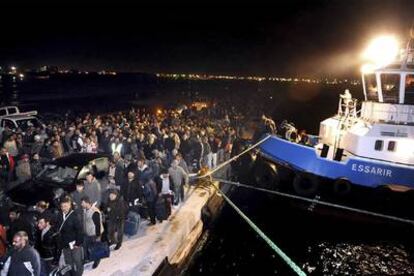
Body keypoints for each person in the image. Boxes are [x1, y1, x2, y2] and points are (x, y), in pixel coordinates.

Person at [56, 196, 84, 276]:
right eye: (62, 206)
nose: (63, 208)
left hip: (74, 243)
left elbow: (80, 231)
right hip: (65, 244)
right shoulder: (60, 215)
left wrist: (78, 243)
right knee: (68, 261)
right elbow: (58, 227)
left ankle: (79, 274)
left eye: (65, 206)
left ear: (69, 205)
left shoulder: (74, 216)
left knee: (77, 260)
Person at [80, 196, 103, 269]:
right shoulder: (84, 210)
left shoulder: (94, 211)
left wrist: (98, 236)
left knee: (95, 248)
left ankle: (97, 261)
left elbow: (98, 224)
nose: (81, 204)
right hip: (87, 233)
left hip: (94, 233)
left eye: (82, 203)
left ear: (87, 203)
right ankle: (88, 259)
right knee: (86, 246)